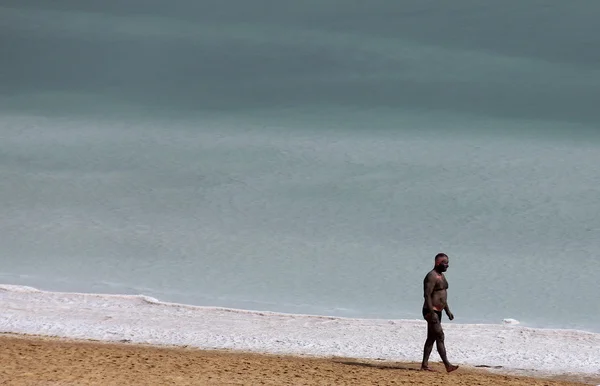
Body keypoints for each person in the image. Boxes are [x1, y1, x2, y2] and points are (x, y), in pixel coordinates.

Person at [421, 253, 459, 372]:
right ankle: (447, 365)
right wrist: (431, 312)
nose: (447, 265)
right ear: (438, 263)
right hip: (431, 311)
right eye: (445, 263)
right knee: (440, 336)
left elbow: (441, 296)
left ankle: (424, 365)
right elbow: (427, 295)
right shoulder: (431, 276)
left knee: (431, 338)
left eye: (447, 263)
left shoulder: (441, 276)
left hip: (439, 311)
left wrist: (448, 311)